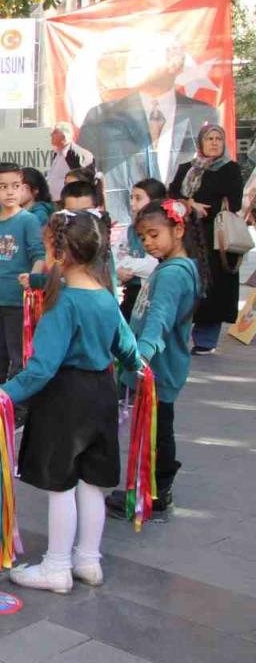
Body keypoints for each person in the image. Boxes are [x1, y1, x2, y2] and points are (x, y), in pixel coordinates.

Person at [0, 211, 139, 594]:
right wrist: (138, 372)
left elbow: (42, 368)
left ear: (61, 253)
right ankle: (88, 560)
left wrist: (3, 392)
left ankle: (56, 566)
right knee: (92, 482)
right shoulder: (105, 297)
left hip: (65, 398)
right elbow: (127, 348)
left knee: (61, 482)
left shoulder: (64, 304)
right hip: (102, 393)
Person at [106, 199, 206, 518]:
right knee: (153, 429)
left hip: (157, 370)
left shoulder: (174, 273)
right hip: (155, 368)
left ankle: (156, 493)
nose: (148, 242)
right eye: (143, 237)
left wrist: (140, 359)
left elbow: (159, 320)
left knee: (158, 432)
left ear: (178, 230)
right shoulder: (170, 268)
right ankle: (148, 488)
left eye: (153, 234)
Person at [77, 32, 220, 224]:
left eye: (148, 53)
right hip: (123, 231)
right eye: (133, 54)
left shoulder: (203, 114)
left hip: (185, 229)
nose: (135, 60)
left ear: (174, 64)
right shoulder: (100, 117)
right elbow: (84, 177)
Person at [0, 163, 46, 404]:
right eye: (3, 187)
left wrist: (31, 280)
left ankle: (15, 406)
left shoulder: (29, 221)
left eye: (16, 186)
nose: (10, 192)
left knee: (19, 356)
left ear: (24, 188)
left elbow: (39, 255)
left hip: (18, 302)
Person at [167, 124, 244, 354]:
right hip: (186, 233)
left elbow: (236, 203)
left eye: (218, 138)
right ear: (200, 143)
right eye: (209, 138)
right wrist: (190, 205)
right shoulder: (185, 168)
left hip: (215, 237)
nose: (213, 142)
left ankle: (205, 340)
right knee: (185, 283)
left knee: (214, 286)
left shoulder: (230, 169)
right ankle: (178, 334)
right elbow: (171, 195)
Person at [116, 178, 167, 321]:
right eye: (131, 198)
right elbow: (113, 259)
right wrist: (117, 269)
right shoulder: (129, 230)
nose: (132, 204)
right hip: (131, 294)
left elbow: (152, 265)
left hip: (152, 295)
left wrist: (126, 263)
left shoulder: (164, 230)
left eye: (138, 198)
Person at [45, 123, 94, 199]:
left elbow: (86, 180)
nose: (51, 135)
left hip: (70, 202)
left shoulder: (78, 154)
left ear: (64, 136)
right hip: (55, 202)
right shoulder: (57, 154)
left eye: (55, 132)